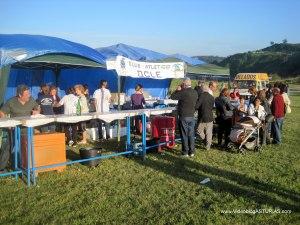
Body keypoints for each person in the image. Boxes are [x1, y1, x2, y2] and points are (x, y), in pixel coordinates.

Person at [0, 85, 40, 172]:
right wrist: (8, 123)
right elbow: (2, 112)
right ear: (19, 95)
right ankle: (1, 168)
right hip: (14, 129)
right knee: (8, 147)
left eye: (29, 93)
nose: (28, 96)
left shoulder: (31, 99)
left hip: (28, 129)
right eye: (26, 94)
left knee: (27, 148)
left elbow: (38, 107)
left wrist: (37, 111)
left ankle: (27, 166)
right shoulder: (11, 101)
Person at [171, 78, 198, 157]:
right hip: (192, 116)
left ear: (184, 84)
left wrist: (177, 90)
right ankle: (192, 151)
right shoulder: (195, 92)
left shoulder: (183, 92)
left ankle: (185, 152)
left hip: (184, 116)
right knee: (191, 134)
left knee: (184, 135)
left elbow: (172, 97)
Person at [195, 85, 215, 150]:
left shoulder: (201, 96)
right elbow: (212, 107)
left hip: (202, 117)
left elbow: (197, 106)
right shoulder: (212, 97)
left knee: (198, 130)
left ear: (202, 90)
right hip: (210, 116)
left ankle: (205, 140)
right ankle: (208, 146)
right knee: (209, 132)